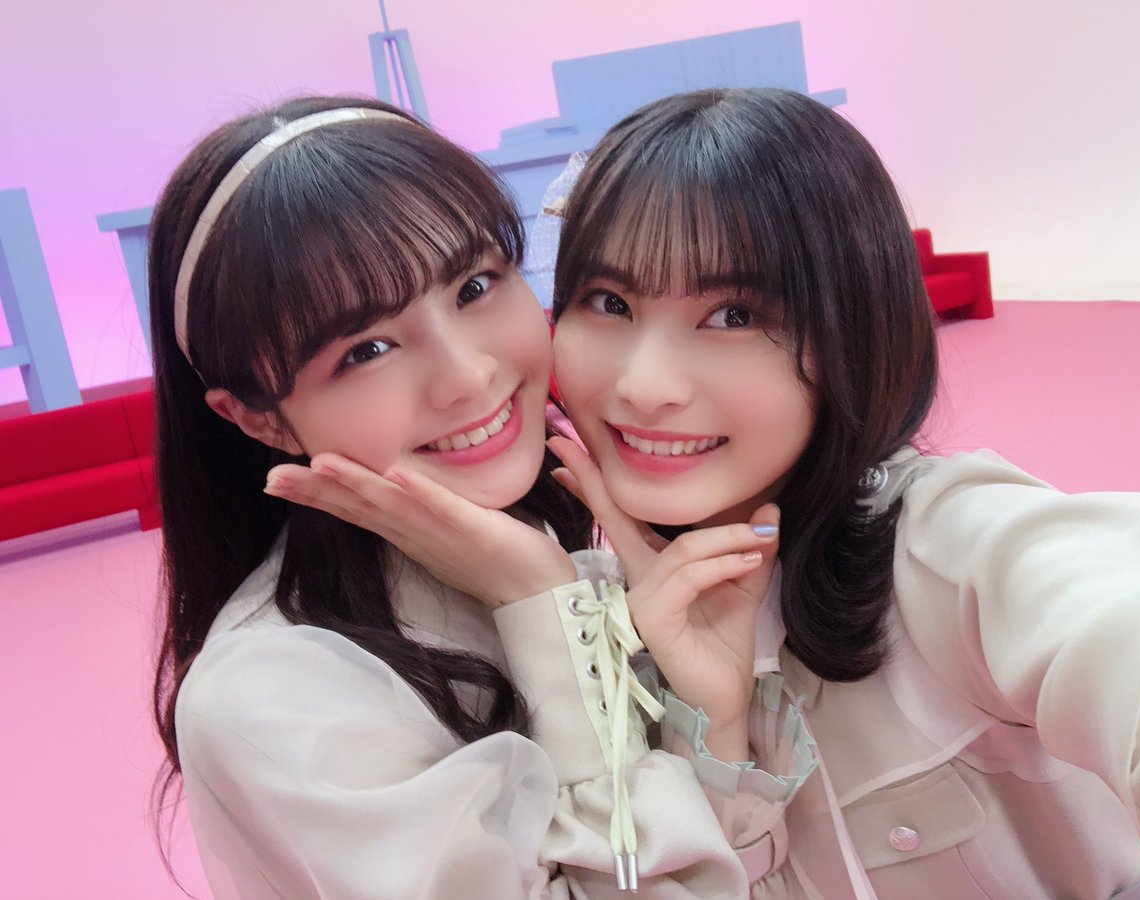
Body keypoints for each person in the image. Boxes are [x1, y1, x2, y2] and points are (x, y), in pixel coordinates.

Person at [542, 88, 1140, 898]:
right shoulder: (592, 613)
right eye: (609, 303)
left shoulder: (938, 546)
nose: (645, 387)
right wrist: (712, 727)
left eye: (734, 314)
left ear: (852, 330)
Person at [148, 95, 769, 898]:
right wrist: (546, 615)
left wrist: (713, 717)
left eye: (475, 286)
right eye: (367, 349)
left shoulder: (555, 548)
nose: (470, 375)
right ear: (258, 418)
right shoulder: (276, 697)